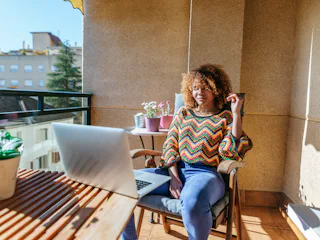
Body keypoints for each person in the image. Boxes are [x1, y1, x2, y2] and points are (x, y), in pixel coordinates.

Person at [121, 64, 253, 240]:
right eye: (196, 88)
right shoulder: (184, 113)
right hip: (173, 171)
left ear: (217, 90)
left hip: (206, 175)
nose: (200, 92)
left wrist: (236, 114)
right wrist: (174, 176)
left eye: (206, 88)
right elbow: (170, 145)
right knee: (122, 185)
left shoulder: (225, 117)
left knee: (192, 202)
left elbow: (230, 150)